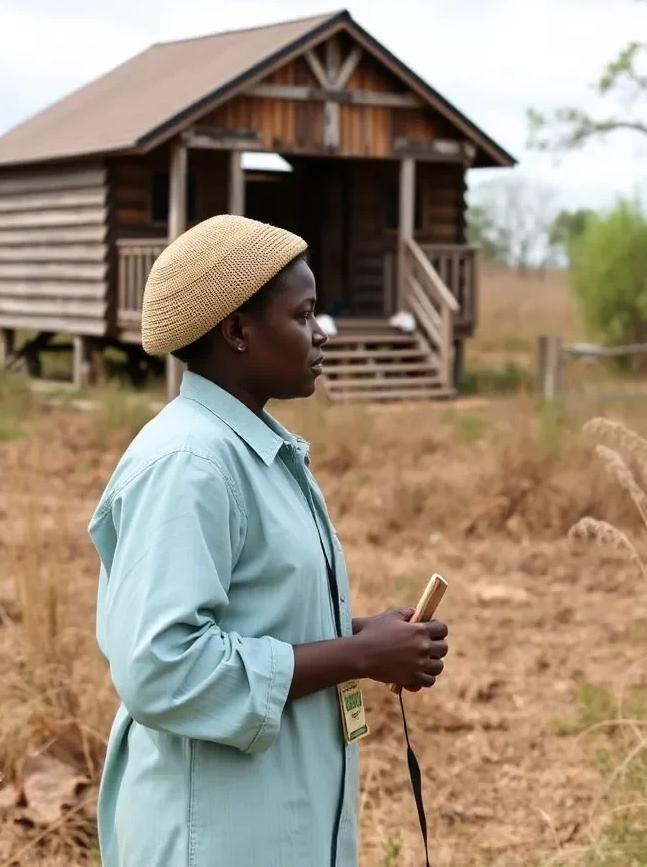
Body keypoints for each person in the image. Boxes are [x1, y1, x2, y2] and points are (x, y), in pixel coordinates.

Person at [87, 214, 449, 866]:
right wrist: (357, 656)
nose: (322, 334)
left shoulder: (251, 450)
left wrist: (366, 635)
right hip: (210, 833)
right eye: (304, 314)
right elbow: (163, 667)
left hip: (262, 816)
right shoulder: (190, 462)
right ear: (237, 331)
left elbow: (254, 614)